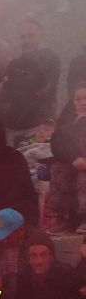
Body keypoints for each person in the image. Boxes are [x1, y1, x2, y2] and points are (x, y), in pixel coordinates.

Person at [0, 19, 61, 143]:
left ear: (41, 36)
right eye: (23, 37)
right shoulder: (14, 64)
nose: (27, 40)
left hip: (39, 126)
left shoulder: (50, 59)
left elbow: (40, 88)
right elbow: (5, 93)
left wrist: (14, 85)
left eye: (31, 36)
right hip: (13, 127)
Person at [47, 83, 86, 234]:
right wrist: (74, 158)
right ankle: (65, 217)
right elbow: (57, 144)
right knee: (59, 169)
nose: (83, 102)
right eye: (78, 99)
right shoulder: (67, 120)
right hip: (73, 163)